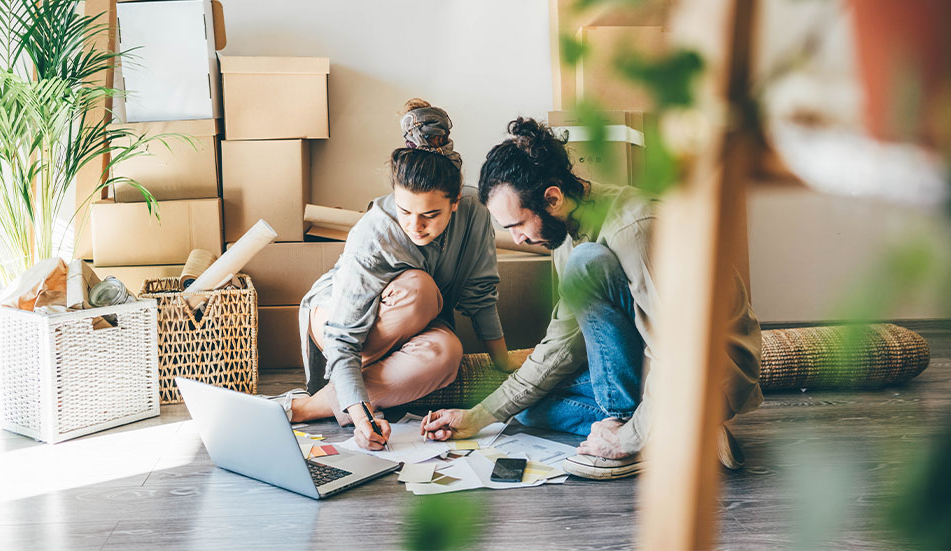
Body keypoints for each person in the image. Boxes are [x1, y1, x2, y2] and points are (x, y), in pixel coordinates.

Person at [423, 117, 763, 479]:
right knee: (525, 409)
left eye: (517, 225)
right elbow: (561, 344)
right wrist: (478, 416)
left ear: (551, 198)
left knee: (588, 263)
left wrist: (627, 439)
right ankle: (679, 429)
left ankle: (634, 428)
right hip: (652, 358)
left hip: (711, 369)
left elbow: (682, 351)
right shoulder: (562, 233)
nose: (517, 239)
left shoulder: (636, 228)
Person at [271, 99, 511, 451]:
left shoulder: (475, 214)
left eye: (431, 214)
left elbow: (480, 297)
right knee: (421, 290)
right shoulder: (374, 232)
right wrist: (360, 416)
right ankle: (318, 401)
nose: (415, 226)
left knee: (448, 353)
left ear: (456, 199)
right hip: (336, 323)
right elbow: (342, 336)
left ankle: (314, 404)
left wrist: (505, 366)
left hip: (409, 336)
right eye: (404, 211)